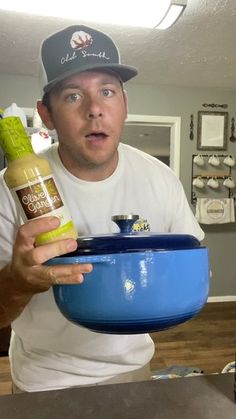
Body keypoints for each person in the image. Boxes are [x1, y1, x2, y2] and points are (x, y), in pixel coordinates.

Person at [0, 24, 204, 393]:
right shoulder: (11, 188)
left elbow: (193, 260)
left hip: (135, 374)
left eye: (107, 92)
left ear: (125, 104)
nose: (95, 110)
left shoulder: (160, 177)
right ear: (46, 115)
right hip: (44, 382)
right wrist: (18, 282)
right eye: (73, 97)